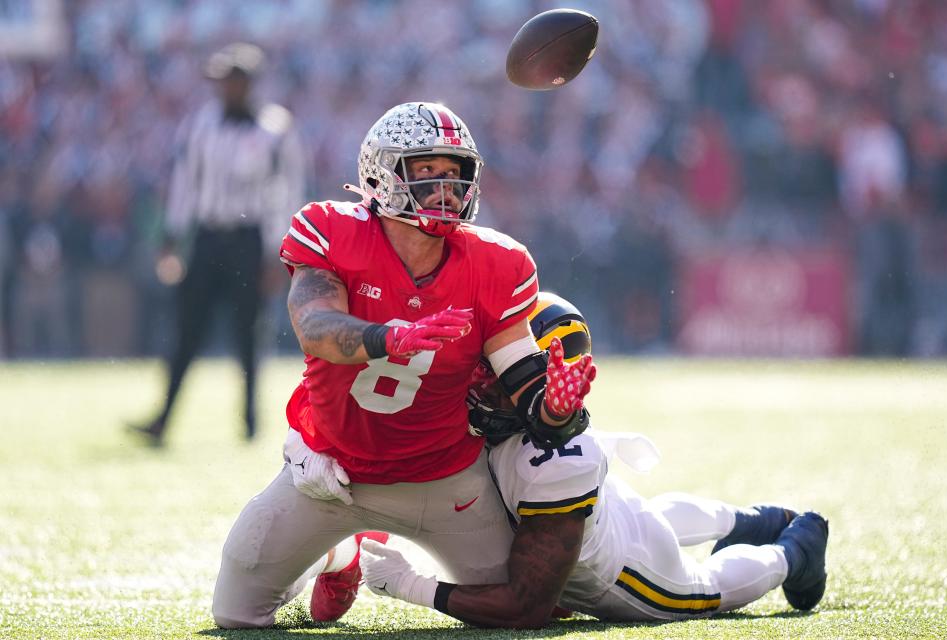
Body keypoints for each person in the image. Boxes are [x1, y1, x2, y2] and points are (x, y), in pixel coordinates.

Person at [210, 102, 597, 628]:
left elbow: (523, 380)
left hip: (446, 479)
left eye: (455, 173)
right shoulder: (330, 230)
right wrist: (388, 337)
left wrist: (555, 409)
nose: (445, 186)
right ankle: (341, 558)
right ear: (381, 172)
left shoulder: (497, 262)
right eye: (427, 171)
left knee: (528, 607)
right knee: (236, 615)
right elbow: (316, 329)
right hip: (335, 474)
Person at [359, 293, 830, 628]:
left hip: (625, 575)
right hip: (606, 517)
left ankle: (795, 551)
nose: (483, 378)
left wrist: (411, 585)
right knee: (649, 515)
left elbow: (527, 607)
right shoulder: (526, 425)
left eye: (503, 367)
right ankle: (753, 519)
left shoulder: (554, 462)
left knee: (702, 589)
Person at [129, 42, 307, 445]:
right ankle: (164, 417)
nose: (228, 88)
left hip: (248, 240)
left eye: (235, 80)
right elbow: (184, 185)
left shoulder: (275, 129)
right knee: (187, 329)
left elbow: (284, 193)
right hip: (209, 237)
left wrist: (277, 253)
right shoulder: (200, 125)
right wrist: (171, 238)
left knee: (249, 334)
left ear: (250, 83)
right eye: (224, 80)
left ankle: (249, 421)